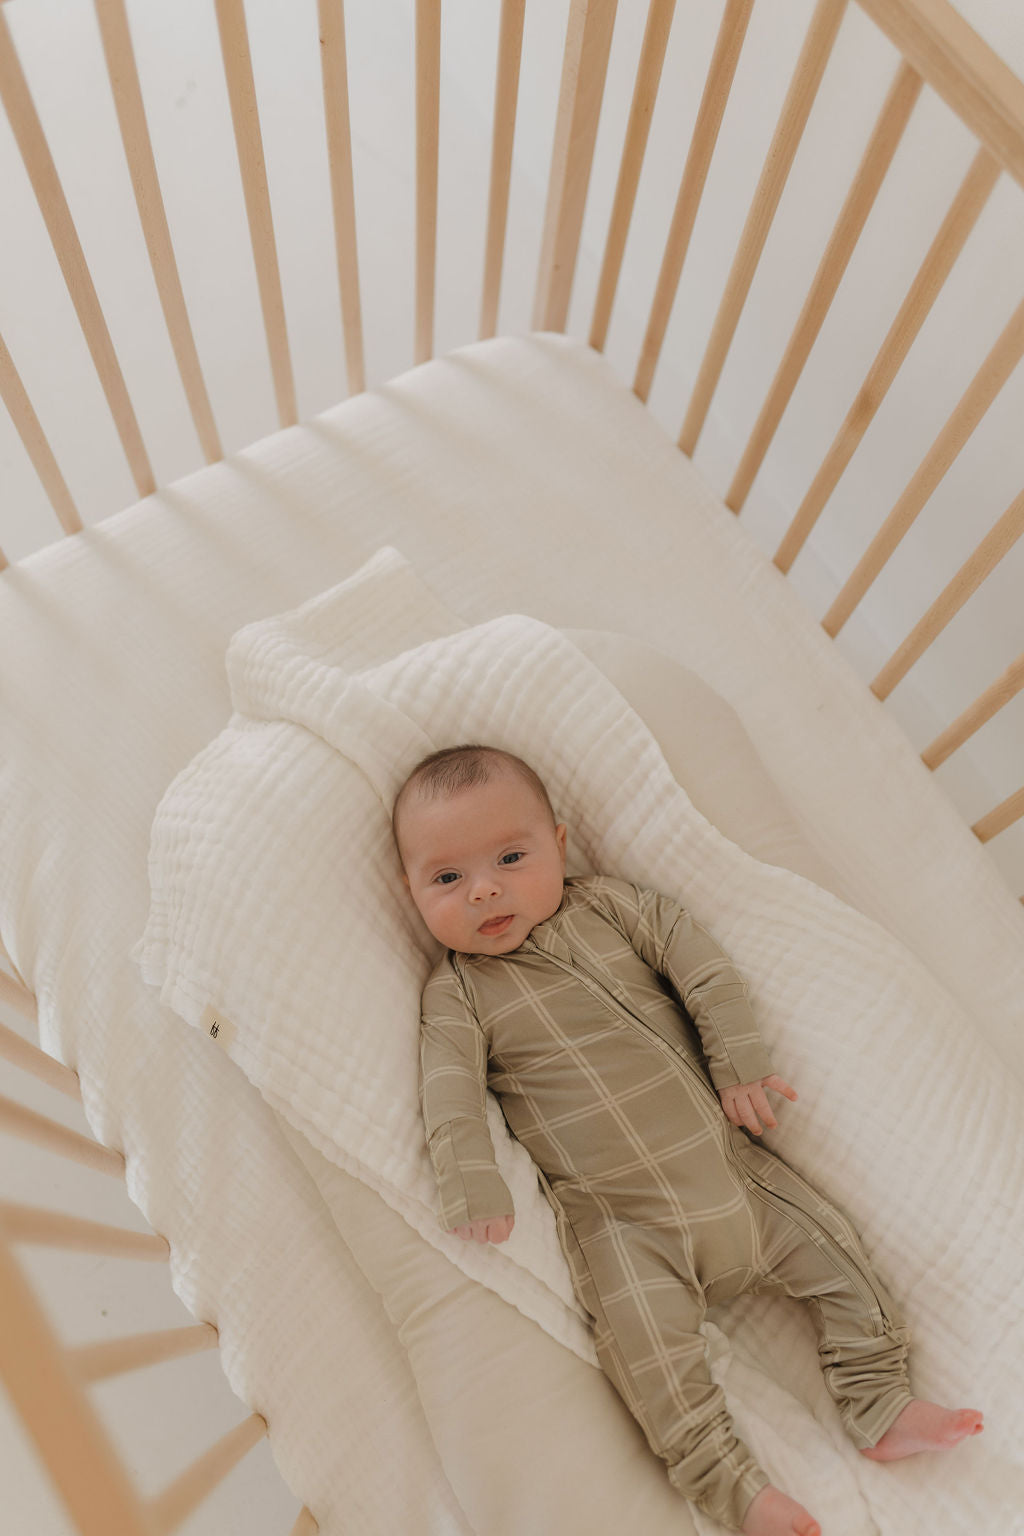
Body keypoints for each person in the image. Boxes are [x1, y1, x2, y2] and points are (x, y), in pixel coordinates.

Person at [392, 742, 983, 1536]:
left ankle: (879, 1401)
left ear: (560, 847)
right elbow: (449, 1096)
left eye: (509, 856)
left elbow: (702, 966)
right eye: (448, 879)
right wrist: (473, 1184)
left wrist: (739, 1062)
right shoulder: (457, 996)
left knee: (840, 1255)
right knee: (651, 1362)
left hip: (735, 1174)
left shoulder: (611, 907)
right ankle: (735, 1490)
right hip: (624, 1228)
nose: (486, 889)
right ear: (410, 893)